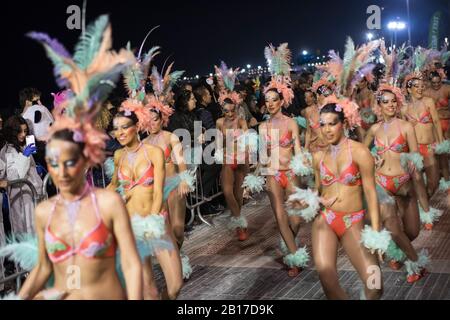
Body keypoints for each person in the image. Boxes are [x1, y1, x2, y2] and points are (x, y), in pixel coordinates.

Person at [0, 14, 142, 300]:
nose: (61, 172)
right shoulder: (44, 212)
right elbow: (42, 269)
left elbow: (130, 261)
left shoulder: (107, 202)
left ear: (85, 160)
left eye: (70, 162)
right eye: (53, 163)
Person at [292, 98, 385, 299]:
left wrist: (376, 234)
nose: (326, 130)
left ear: (344, 123)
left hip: (353, 221)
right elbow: (318, 190)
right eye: (322, 124)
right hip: (325, 220)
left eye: (332, 123)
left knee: (375, 283)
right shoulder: (318, 157)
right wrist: (309, 199)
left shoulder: (360, 152)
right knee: (327, 277)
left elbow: (371, 193)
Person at [109, 105, 183, 300]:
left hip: (155, 222)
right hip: (131, 225)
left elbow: (158, 191)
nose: (120, 133)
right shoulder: (118, 156)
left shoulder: (154, 152)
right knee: (147, 289)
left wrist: (152, 219)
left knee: (175, 285)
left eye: (125, 127)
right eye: (117, 129)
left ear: (137, 126)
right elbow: (113, 185)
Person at [365, 85, 429, 282]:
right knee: (393, 226)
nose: (391, 105)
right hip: (382, 183)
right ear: (379, 105)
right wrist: (372, 158)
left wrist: (414, 166)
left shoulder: (406, 126)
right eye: (385, 102)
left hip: (404, 183)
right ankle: (416, 263)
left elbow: (416, 155)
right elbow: (361, 151)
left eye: (393, 101)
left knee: (412, 231)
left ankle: (397, 251)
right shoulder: (374, 129)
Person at [0, 116, 43, 234]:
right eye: (20, 131)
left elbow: (29, 168)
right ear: (12, 132)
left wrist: (35, 169)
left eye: (25, 131)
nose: (23, 134)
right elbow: (14, 176)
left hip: (33, 195)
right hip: (21, 198)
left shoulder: (23, 146)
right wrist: (24, 156)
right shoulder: (7, 151)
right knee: (26, 231)